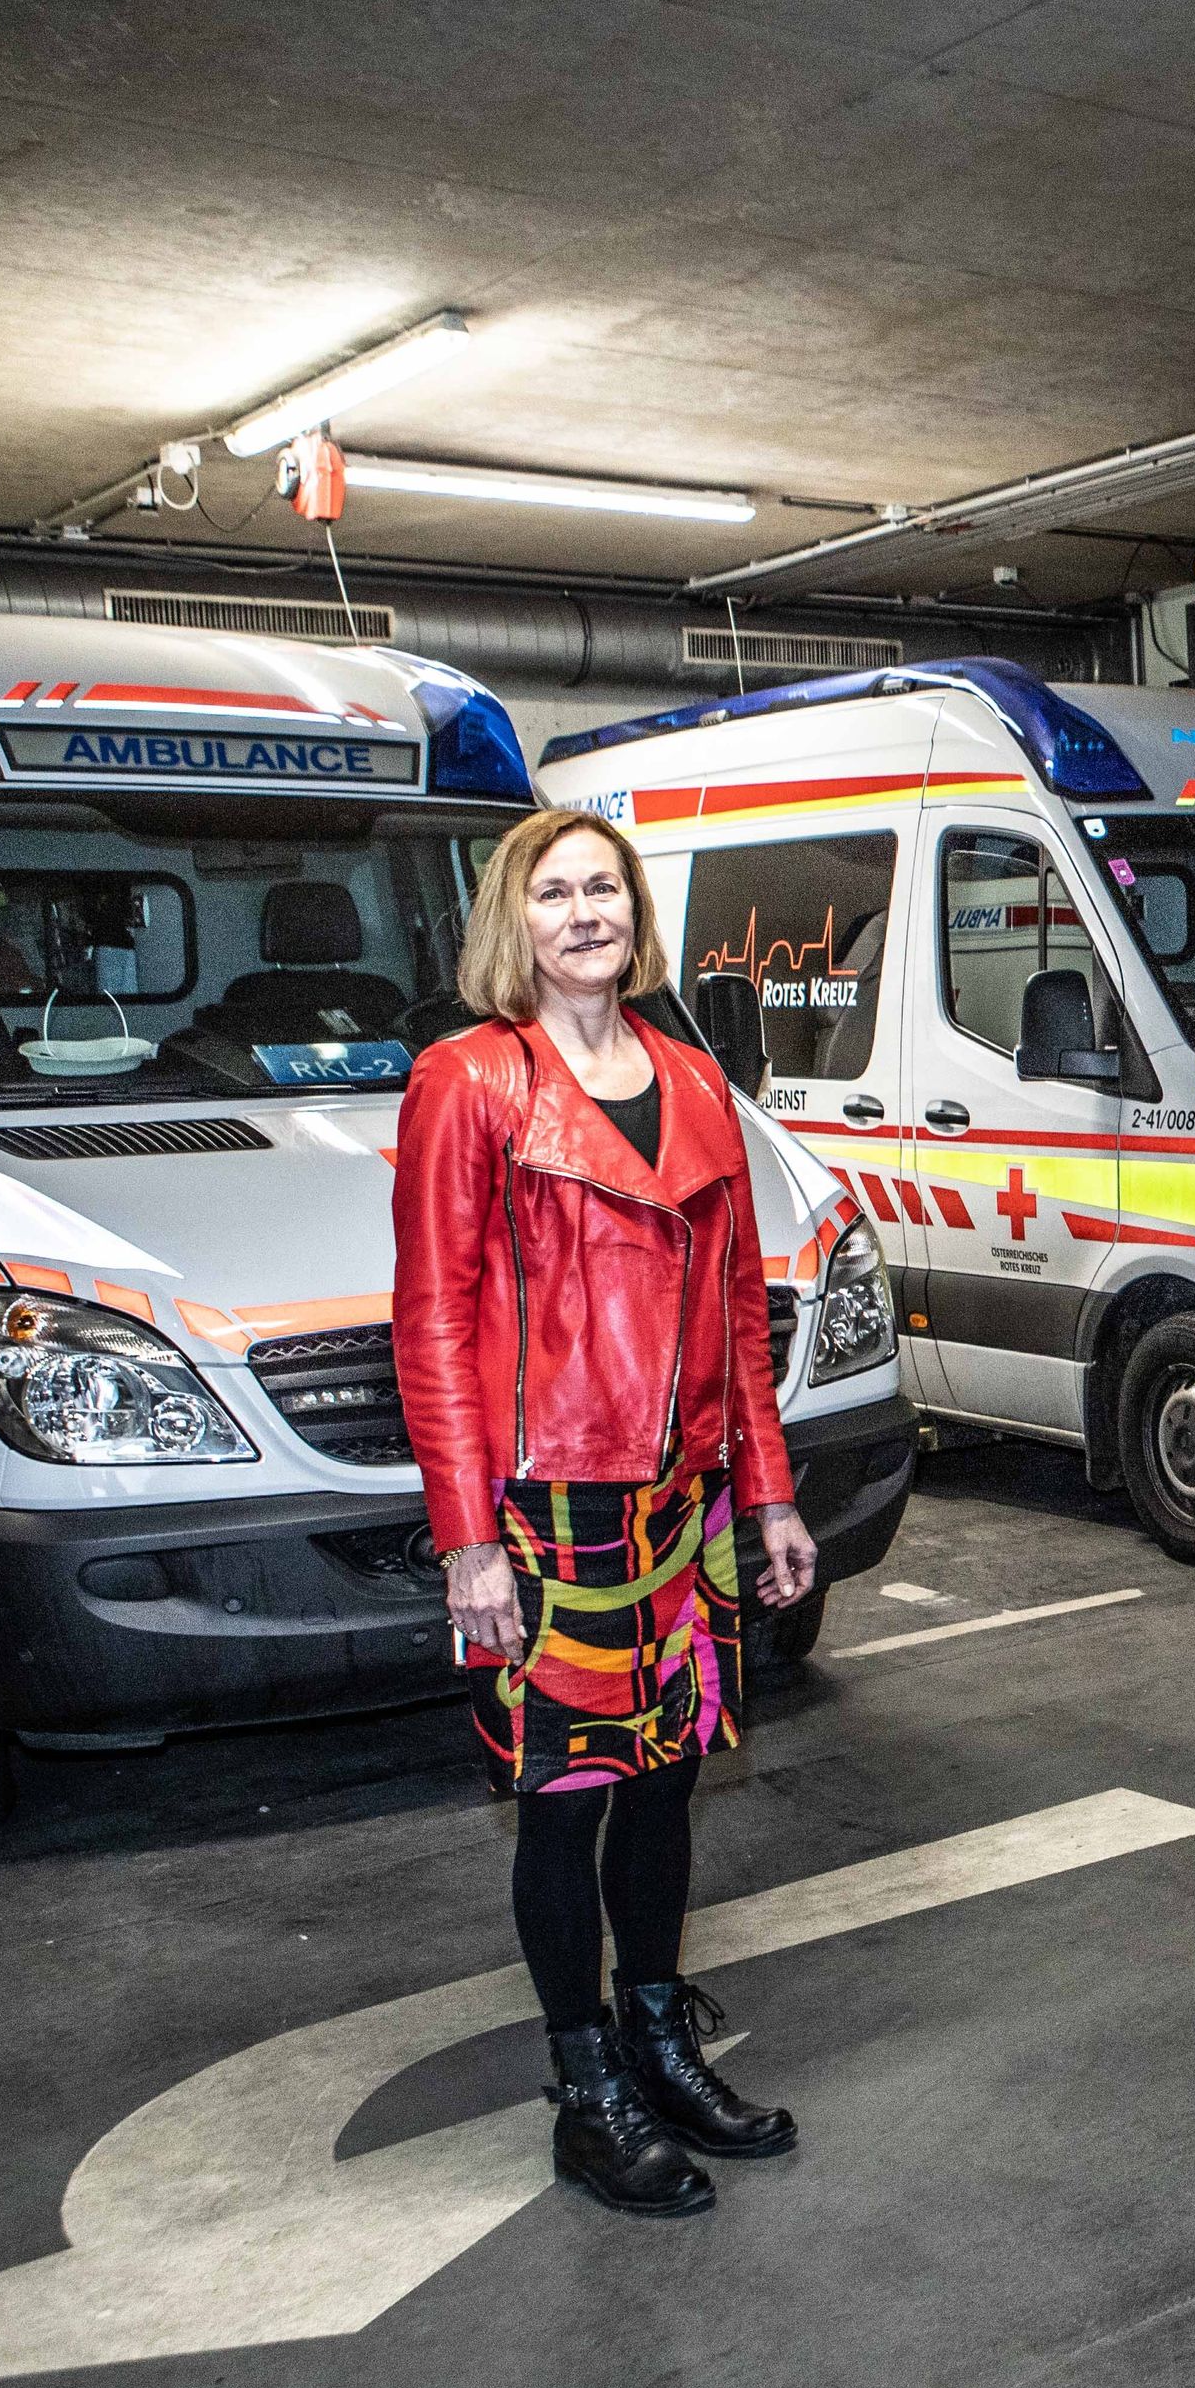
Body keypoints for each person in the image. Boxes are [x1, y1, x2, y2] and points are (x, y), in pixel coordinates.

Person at [392, 808, 821, 2216]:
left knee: (666, 1785)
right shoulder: (468, 1080)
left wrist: (768, 1491)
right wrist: (466, 1538)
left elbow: (741, 1308)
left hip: (683, 1499)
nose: (585, 913)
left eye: (606, 889)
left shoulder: (694, 1079)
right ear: (513, 923)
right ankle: (588, 2090)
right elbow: (431, 1322)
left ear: (637, 916)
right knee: (562, 1801)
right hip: (543, 1506)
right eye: (555, 892)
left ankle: (657, 2037)